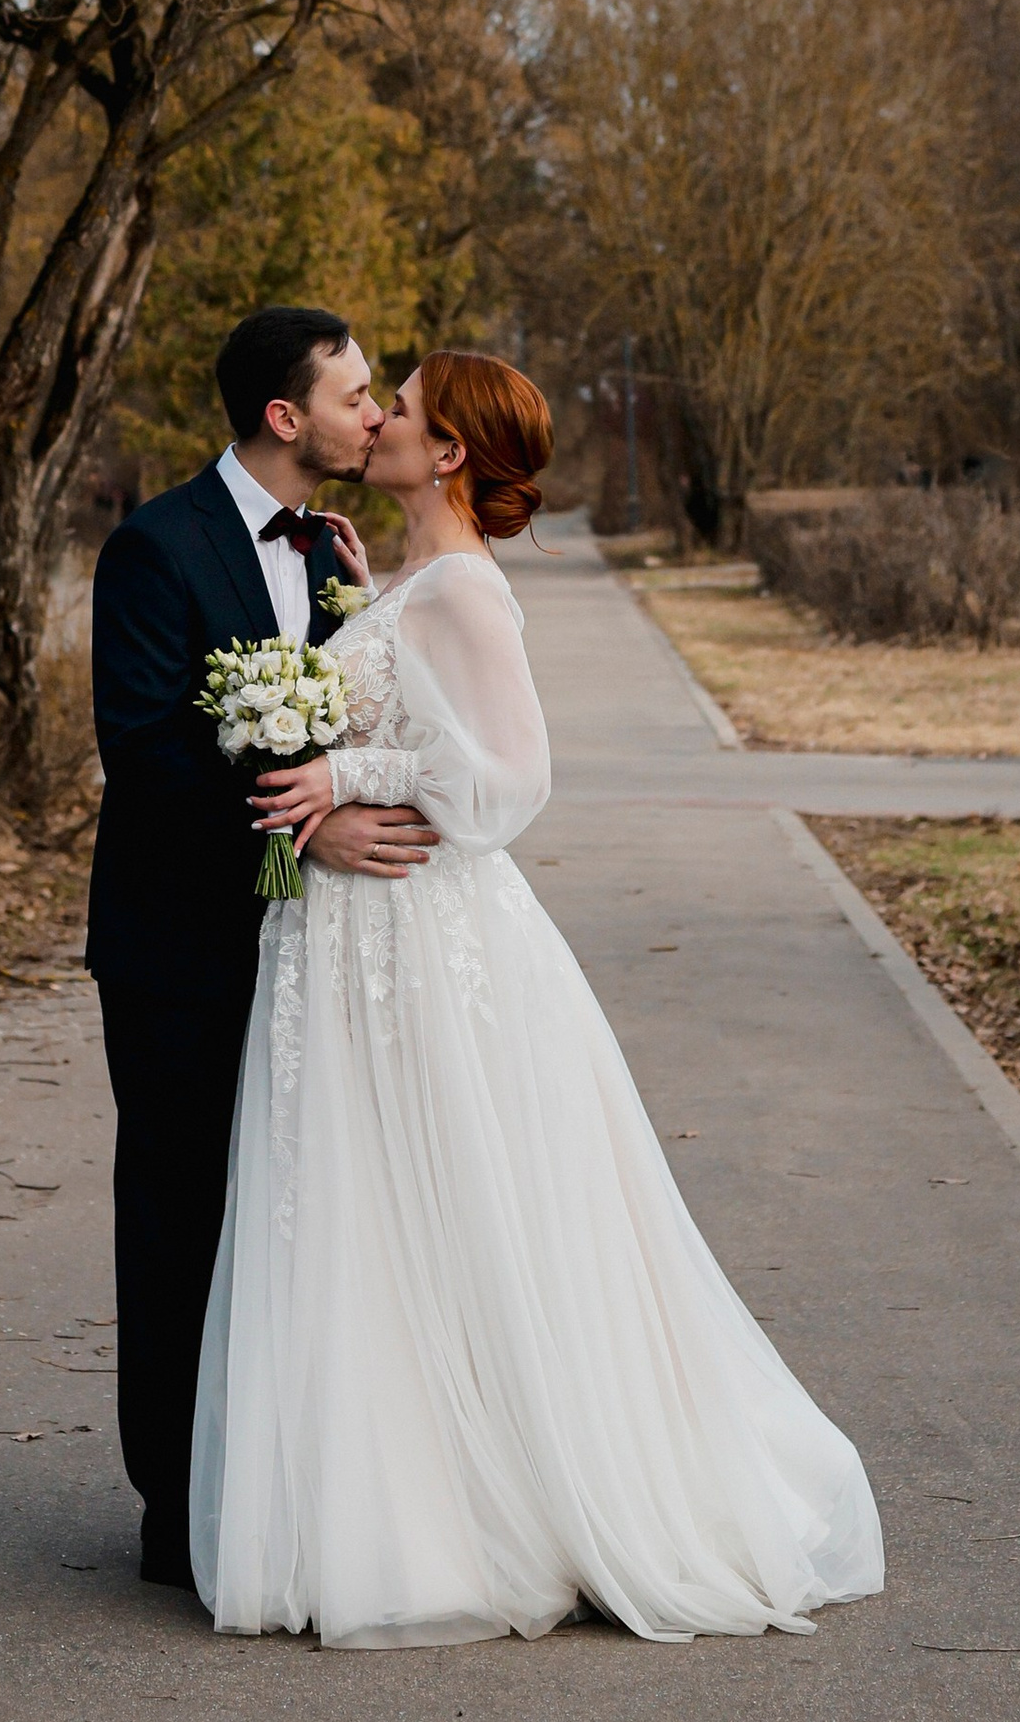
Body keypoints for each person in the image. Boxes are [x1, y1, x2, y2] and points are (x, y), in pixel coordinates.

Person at [190, 348, 885, 1644]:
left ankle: (481, 1506)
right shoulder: (411, 578)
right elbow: (410, 699)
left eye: (399, 406)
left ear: (448, 450)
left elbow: (510, 784)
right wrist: (357, 605)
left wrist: (341, 779)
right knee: (379, 1212)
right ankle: (400, 1504)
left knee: (445, 1203)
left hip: (424, 942)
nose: (379, 418)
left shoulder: (465, 590)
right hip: (356, 942)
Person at [86, 305, 428, 1587]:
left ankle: (277, 1486)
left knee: (292, 1214)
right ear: (286, 418)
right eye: (353, 395)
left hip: (313, 952)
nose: (373, 414)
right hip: (178, 944)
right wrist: (309, 824)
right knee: (180, 1217)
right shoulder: (153, 548)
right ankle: (176, 1508)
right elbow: (149, 754)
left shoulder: (338, 552)